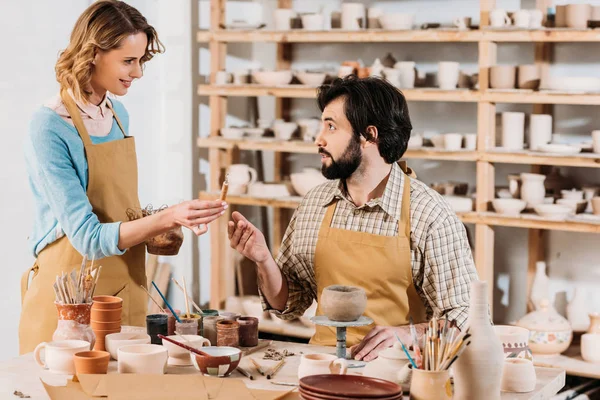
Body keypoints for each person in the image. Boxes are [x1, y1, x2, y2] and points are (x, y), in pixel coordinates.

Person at [20, 0, 226, 354]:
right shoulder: (50, 126)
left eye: (141, 60)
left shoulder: (117, 115)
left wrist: (156, 228)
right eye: (128, 61)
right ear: (93, 53)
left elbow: (114, 209)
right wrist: (168, 214)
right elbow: (86, 236)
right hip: (71, 305)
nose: (138, 73)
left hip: (124, 287)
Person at [228, 75, 478, 361]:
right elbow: (289, 304)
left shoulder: (430, 214)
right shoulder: (314, 204)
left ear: (369, 135)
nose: (318, 139)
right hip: (322, 365)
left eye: (331, 127)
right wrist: (263, 260)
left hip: (397, 368)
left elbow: (466, 317)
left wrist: (408, 333)